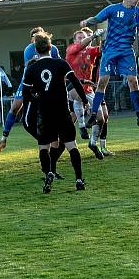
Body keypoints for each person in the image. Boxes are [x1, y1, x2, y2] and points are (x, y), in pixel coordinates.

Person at [21, 31, 89, 193]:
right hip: (62, 111)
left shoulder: (32, 68)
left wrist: (37, 98)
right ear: (51, 48)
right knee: (71, 145)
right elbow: (75, 82)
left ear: (36, 50)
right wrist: (85, 101)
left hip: (45, 113)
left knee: (43, 147)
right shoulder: (61, 64)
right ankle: (79, 179)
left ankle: (48, 175)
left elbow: (26, 94)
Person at [79, 0, 139, 128]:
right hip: (110, 50)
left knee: (133, 81)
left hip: (126, 51)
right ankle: (93, 115)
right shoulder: (113, 9)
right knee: (102, 82)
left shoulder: (138, 13)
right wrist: (87, 21)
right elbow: (98, 18)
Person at [0, 27, 61, 152]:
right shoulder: (29, 49)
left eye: (39, 35)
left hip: (46, 83)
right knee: (15, 108)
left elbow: (58, 64)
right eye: (34, 36)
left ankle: (54, 140)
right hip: (28, 83)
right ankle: (4, 137)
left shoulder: (53, 48)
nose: (37, 38)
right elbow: (30, 67)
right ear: (31, 39)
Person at [66, 27, 107, 158]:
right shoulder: (71, 49)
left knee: (101, 118)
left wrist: (104, 36)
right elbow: (81, 45)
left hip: (89, 88)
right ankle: (82, 127)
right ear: (74, 41)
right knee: (77, 97)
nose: (83, 39)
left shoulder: (90, 50)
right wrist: (93, 36)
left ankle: (93, 143)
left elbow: (102, 49)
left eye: (84, 37)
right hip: (74, 86)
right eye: (80, 37)